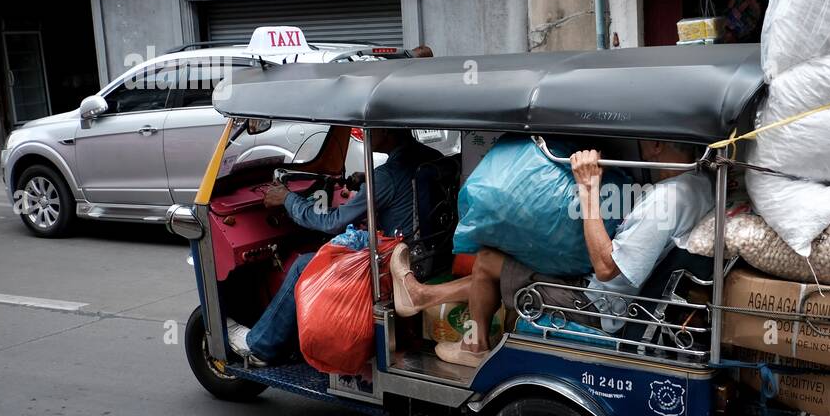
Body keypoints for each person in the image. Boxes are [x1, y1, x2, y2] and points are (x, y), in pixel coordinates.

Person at [391, 140, 713, 367]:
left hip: (598, 307)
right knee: (502, 265)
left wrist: (587, 187)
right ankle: (421, 296)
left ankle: (474, 346)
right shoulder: (701, 185)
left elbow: (605, 268)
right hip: (617, 297)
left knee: (488, 261)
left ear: (656, 144)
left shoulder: (665, 200)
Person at [226, 128, 443, 366]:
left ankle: (261, 346)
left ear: (387, 131)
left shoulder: (386, 176)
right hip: (430, 254)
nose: (364, 132)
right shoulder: (431, 157)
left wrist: (287, 198)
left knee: (302, 265)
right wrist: (366, 184)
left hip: (397, 265)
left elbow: (331, 222)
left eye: (370, 129)